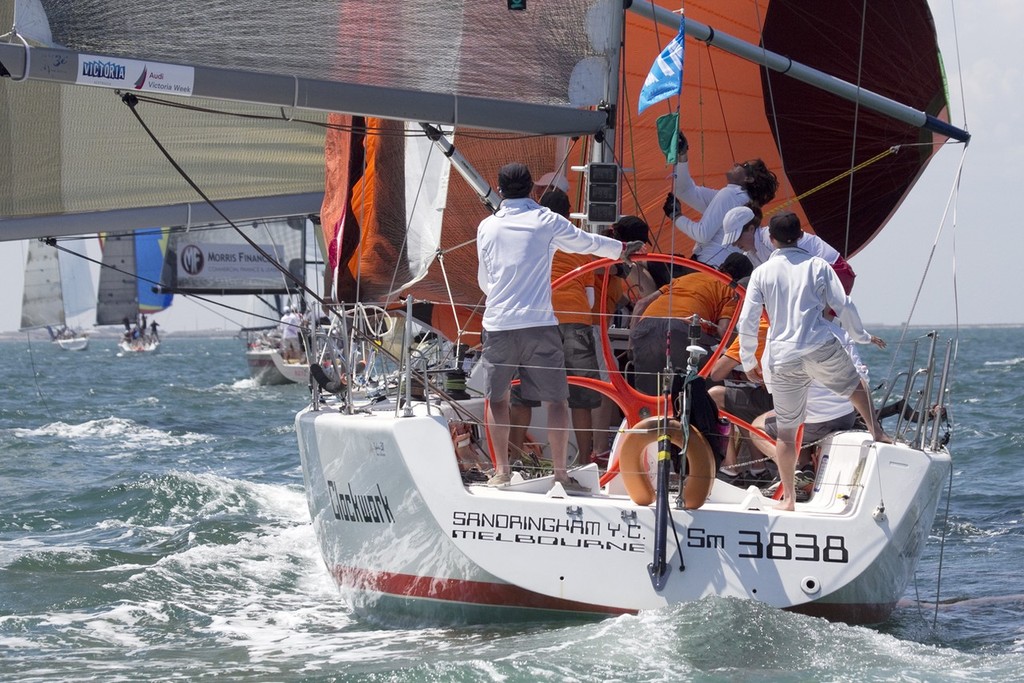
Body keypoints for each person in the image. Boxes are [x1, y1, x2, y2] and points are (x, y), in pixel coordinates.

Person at [477, 162, 645, 491]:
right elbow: (587, 243)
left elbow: (485, 280)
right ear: (530, 190)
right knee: (557, 402)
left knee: (498, 400)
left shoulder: (487, 227)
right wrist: (621, 250)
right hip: (539, 325)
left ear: (498, 189)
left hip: (497, 323)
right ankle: (560, 474)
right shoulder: (547, 221)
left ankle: (501, 472)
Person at [737, 212, 889, 511]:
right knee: (854, 386)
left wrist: (746, 359)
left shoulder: (762, 272)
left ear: (771, 239)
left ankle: (790, 499)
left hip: (782, 355)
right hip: (818, 344)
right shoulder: (819, 265)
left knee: (787, 433)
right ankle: (878, 432)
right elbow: (843, 304)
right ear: (801, 236)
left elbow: (748, 320)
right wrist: (860, 336)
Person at [509, 188, 603, 465]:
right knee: (581, 397)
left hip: (538, 322)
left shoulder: (529, 239)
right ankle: (585, 461)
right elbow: (590, 298)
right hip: (576, 320)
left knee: (523, 395)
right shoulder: (578, 242)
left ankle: (513, 457)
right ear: (569, 212)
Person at [628, 252, 753, 395]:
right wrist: (740, 356)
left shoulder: (684, 278)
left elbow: (641, 304)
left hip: (646, 327)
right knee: (710, 388)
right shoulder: (730, 288)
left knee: (649, 397)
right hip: (683, 330)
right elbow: (724, 330)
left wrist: (631, 346)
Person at [664, 134, 779, 267]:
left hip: (705, 268)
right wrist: (682, 156)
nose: (737, 164)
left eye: (744, 165)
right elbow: (685, 191)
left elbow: (702, 234)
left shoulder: (731, 194)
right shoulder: (739, 201)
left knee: (647, 265)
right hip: (716, 274)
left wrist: (676, 216)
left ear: (749, 179)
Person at [721, 204, 857, 293]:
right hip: (820, 278)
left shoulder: (771, 236)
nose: (734, 244)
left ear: (751, 229)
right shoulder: (751, 254)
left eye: (737, 238)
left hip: (837, 270)